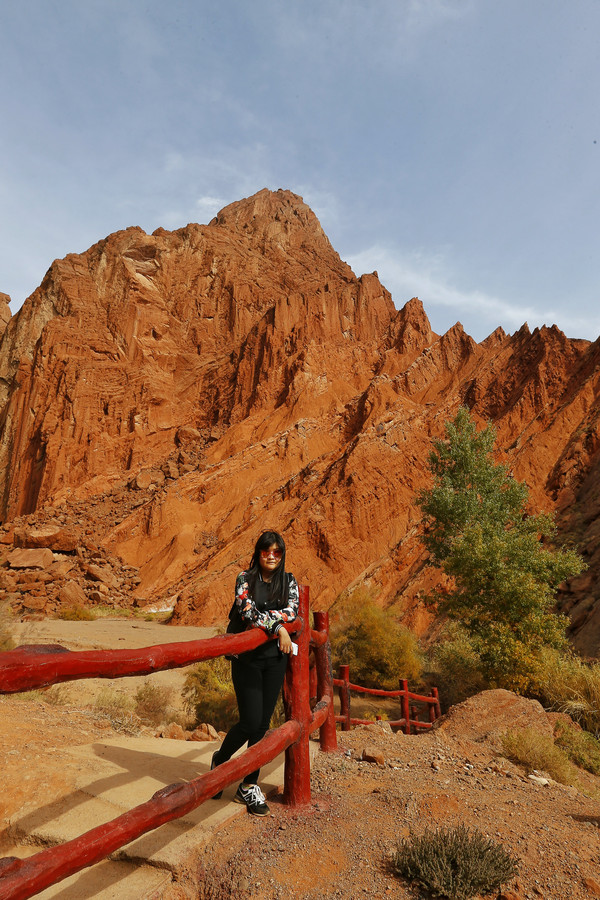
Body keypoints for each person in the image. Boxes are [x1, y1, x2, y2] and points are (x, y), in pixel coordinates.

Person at [211, 530, 299, 816]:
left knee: (262, 724)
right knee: (249, 721)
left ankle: (249, 784)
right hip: (248, 659)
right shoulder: (243, 579)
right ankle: (220, 762)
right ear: (258, 553)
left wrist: (280, 623)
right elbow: (247, 610)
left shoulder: (289, 581)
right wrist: (278, 628)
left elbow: (293, 612)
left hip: (275, 659)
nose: (271, 557)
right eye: (266, 551)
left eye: (276, 552)